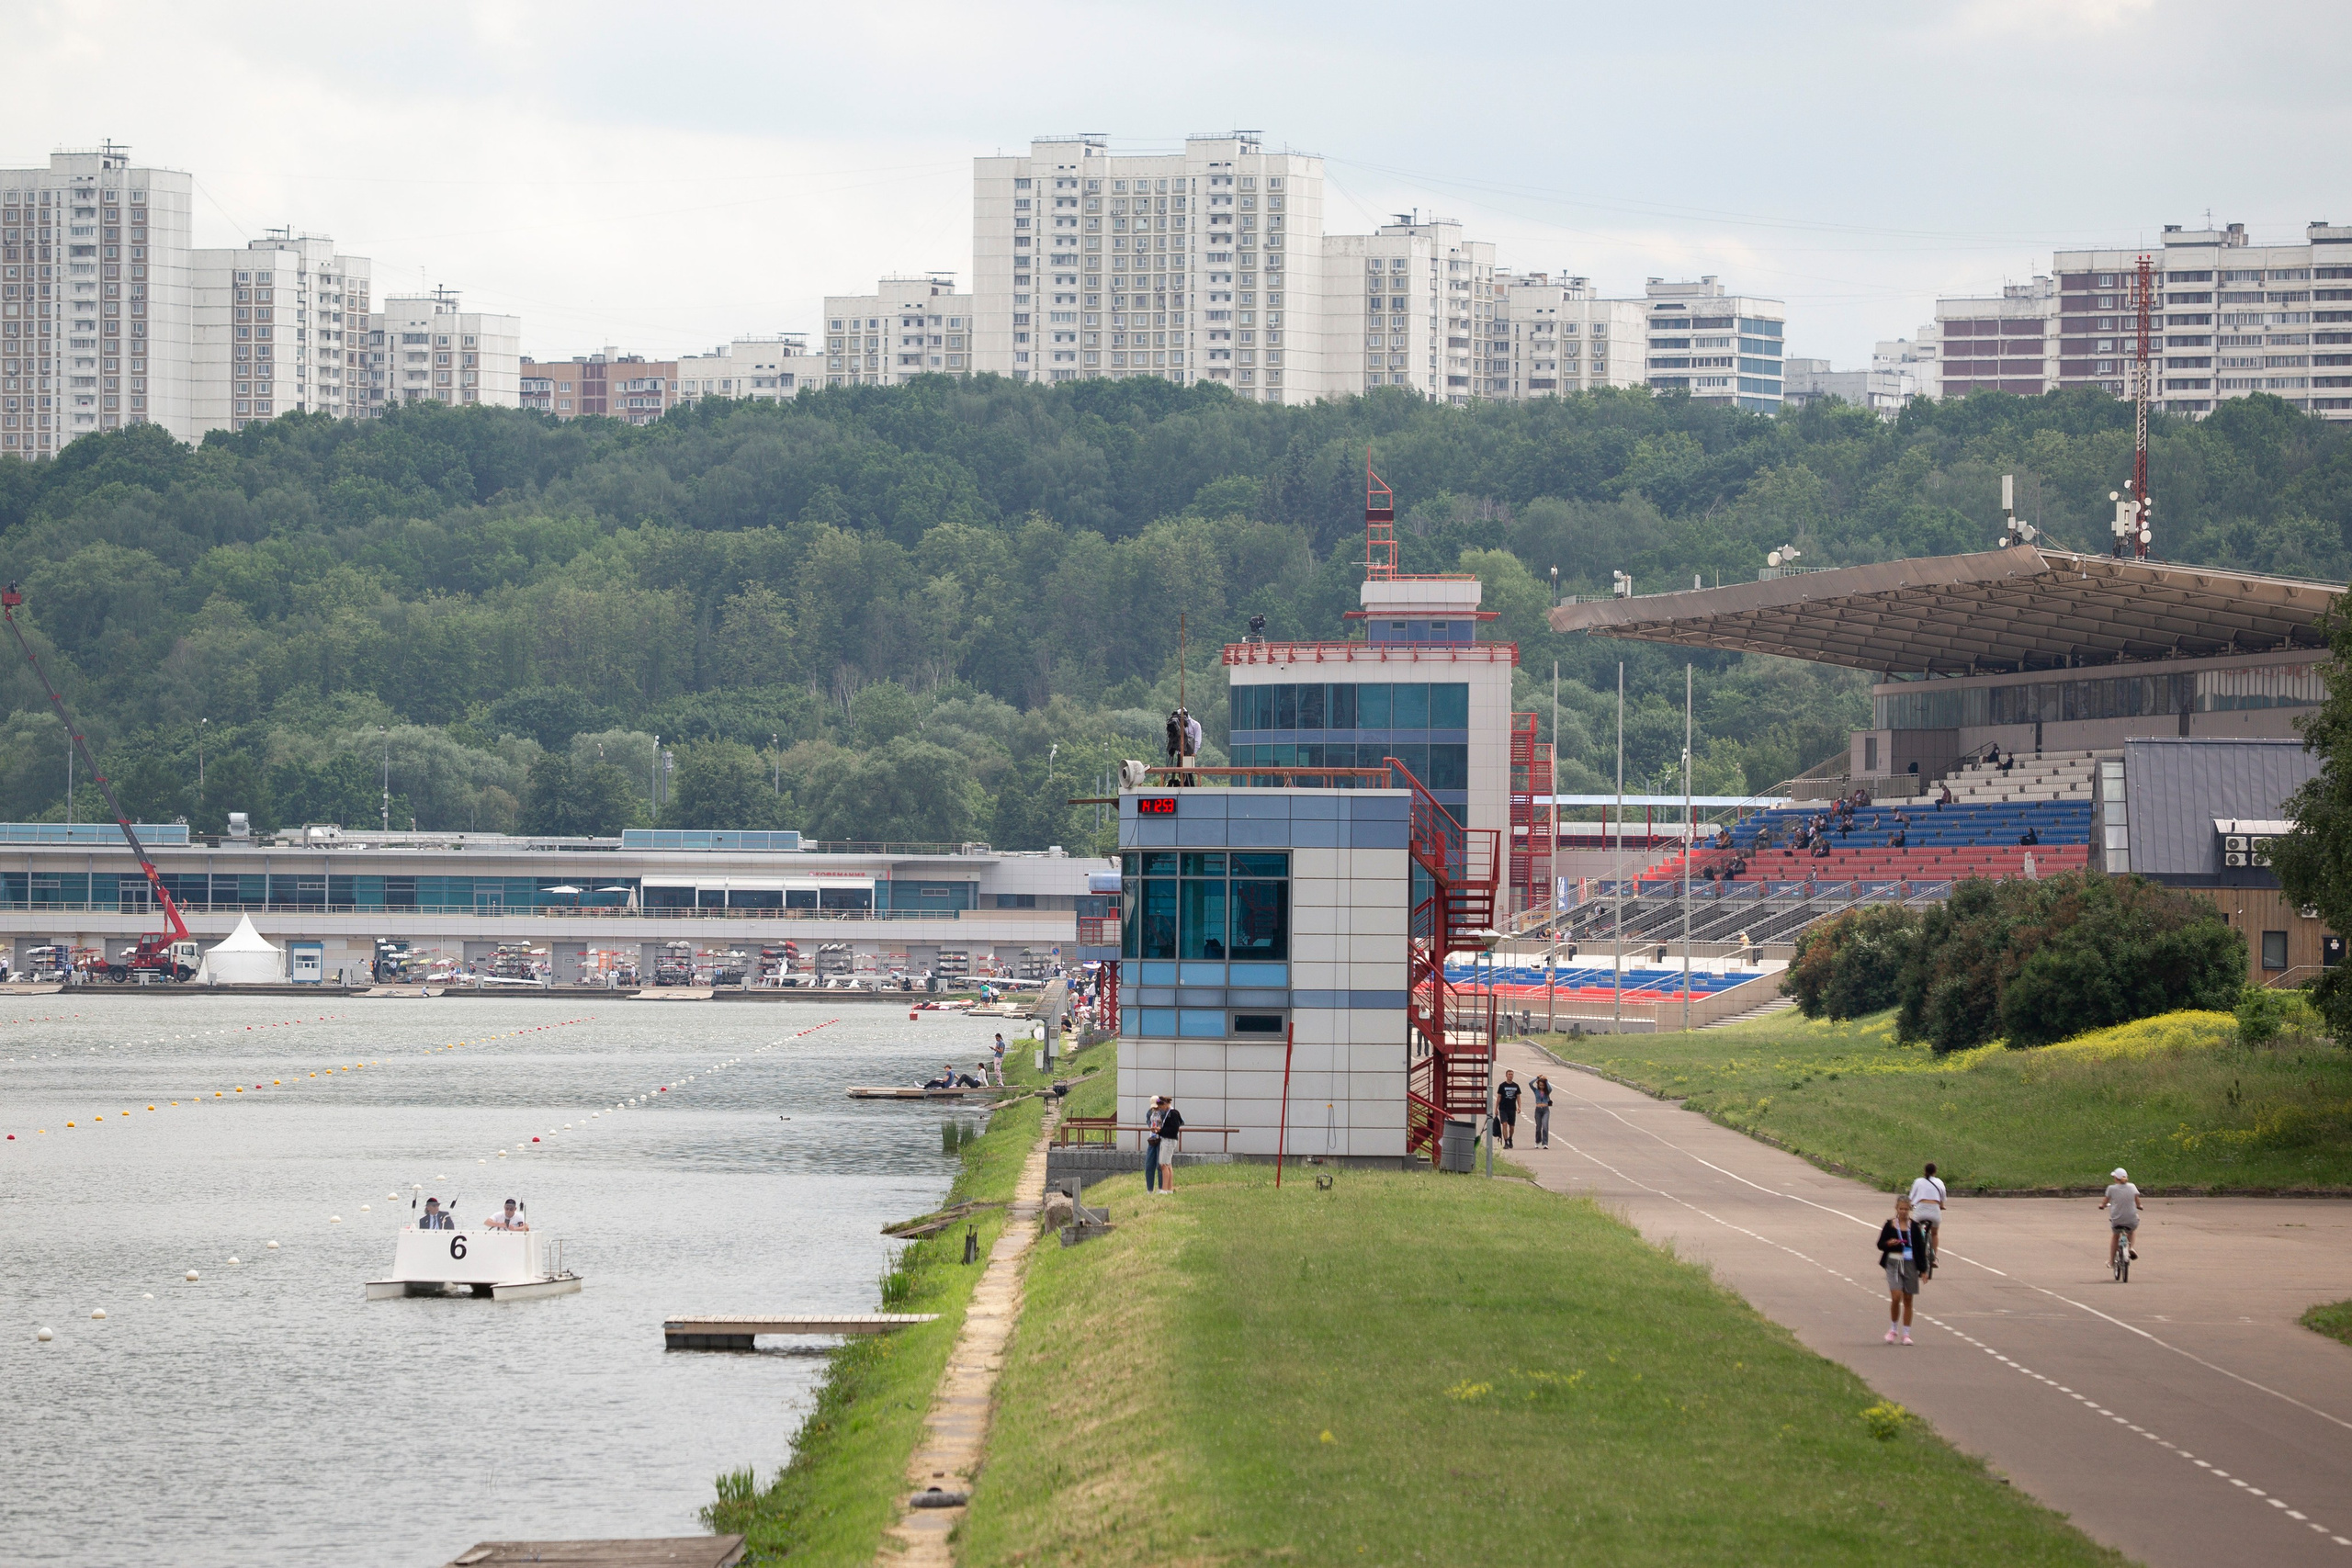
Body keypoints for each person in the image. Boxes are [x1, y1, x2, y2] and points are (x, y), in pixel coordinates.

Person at [1877, 1194, 1927, 1343]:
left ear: (1910, 1209)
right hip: (1893, 1262)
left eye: (1906, 1209)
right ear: (1896, 1209)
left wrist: (1923, 1270)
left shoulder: (1914, 1227)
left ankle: (1906, 1333)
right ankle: (1893, 1329)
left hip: (1910, 1263)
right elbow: (1880, 1244)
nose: (1904, 1212)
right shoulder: (1890, 1225)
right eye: (1901, 1209)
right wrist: (1889, 1243)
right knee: (1896, 1296)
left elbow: (1920, 1248)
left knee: (1908, 1298)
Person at [1906, 1162, 1947, 1277]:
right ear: (1935, 1171)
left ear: (1924, 1171)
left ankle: (1915, 1256)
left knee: (1914, 1232)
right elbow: (1942, 1199)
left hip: (1920, 1210)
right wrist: (1941, 1206)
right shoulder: (1939, 1182)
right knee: (1934, 1233)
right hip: (1934, 1210)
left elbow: (1911, 1197)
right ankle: (1933, 1258)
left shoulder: (1918, 1181)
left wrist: (1910, 1205)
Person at [2101, 1167, 2142, 1273]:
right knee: (2132, 1231)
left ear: (2116, 1178)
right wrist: (2140, 1206)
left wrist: (2102, 1205)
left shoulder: (2111, 1188)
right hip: (2131, 1220)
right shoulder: (2132, 1187)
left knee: (2115, 1236)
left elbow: (2105, 1202)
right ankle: (2131, 1247)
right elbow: (2138, 1202)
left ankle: (2111, 1261)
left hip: (2117, 1221)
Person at [1154, 1096, 1185, 1191]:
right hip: (1168, 1139)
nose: (1161, 1109)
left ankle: (1164, 1189)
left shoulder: (1173, 1113)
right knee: (1168, 1164)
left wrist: (1160, 1131)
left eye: (1161, 1107)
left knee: (1163, 1164)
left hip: (1169, 1140)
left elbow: (1174, 1129)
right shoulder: (1170, 1113)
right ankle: (1169, 1188)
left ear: (1165, 1104)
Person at [1143, 1095, 1168, 1193]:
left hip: (1161, 1139)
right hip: (1152, 1139)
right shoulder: (1150, 1112)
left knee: (1160, 1164)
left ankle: (1161, 1188)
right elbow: (1148, 1121)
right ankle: (1149, 1189)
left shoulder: (1164, 1112)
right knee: (1149, 1164)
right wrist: (1151, 1127)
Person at [1494, 1068, 1521, 1150]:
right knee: (1504, 1124)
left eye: (1512, 1074)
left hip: (1512, 1109)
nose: (1510, 1076)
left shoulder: (1516, 1086)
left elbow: (1518, 1097)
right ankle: (1506, 1142)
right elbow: (1499, 1097)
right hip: (1503, 1108)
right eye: (1509, 1074)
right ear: (1506, 1075)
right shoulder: (1502, 1086)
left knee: (1512, 1127)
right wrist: (1496, 1108)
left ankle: (1510, 1138)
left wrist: (1519, 1107)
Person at [1532, 1075, 1554, 1148]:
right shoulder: (1536, 1091)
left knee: (1545, 1126)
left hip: (1545, 1110)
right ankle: (1537, 1141)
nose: (1542, 1087)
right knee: (1538, 1127)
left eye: (1543, 1085)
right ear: (1538, 1085)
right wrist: (1537, 1078)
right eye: (1540, 1085)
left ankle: (1545, 1143)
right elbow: (1530, 1083)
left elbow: (1550, 1088)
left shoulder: (1547, 1091)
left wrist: (1546, 1080)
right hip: (1538, 1110)